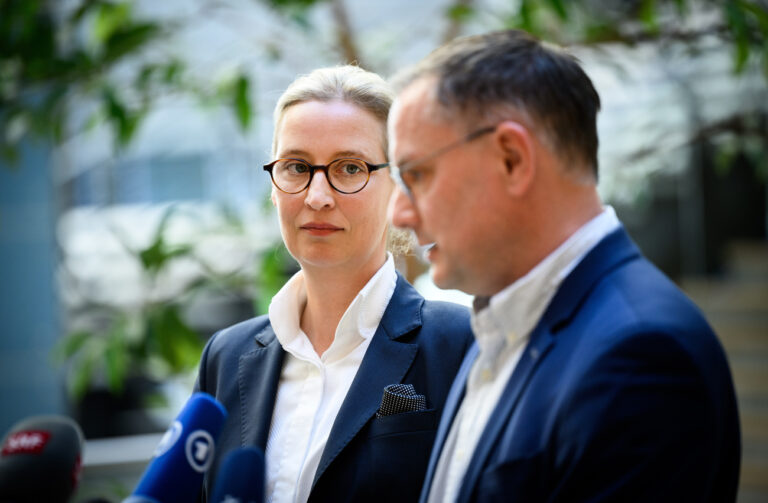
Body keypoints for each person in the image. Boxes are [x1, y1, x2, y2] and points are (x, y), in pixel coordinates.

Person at [388, 30, 741, 502]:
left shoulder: (640, 356)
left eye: (416, 175)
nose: (398, 213)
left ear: (512, 159)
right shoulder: (502, 325)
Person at [194, 65, 472, 503]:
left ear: (397, 186)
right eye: (296, 166)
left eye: (348, 168)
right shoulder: (226, 357)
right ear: (273, 185)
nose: (317, 196)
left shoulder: (459, 344)